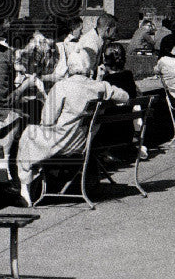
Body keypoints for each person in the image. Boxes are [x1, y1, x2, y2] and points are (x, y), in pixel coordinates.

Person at [15, 49, 130, 205]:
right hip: (83, 143)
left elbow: (47, 121)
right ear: (88, 68)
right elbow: (125, 96)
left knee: (29, 132)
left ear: (69, 68)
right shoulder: (100, 86)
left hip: (62, 143)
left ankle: (25, 186)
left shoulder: (62, 86)